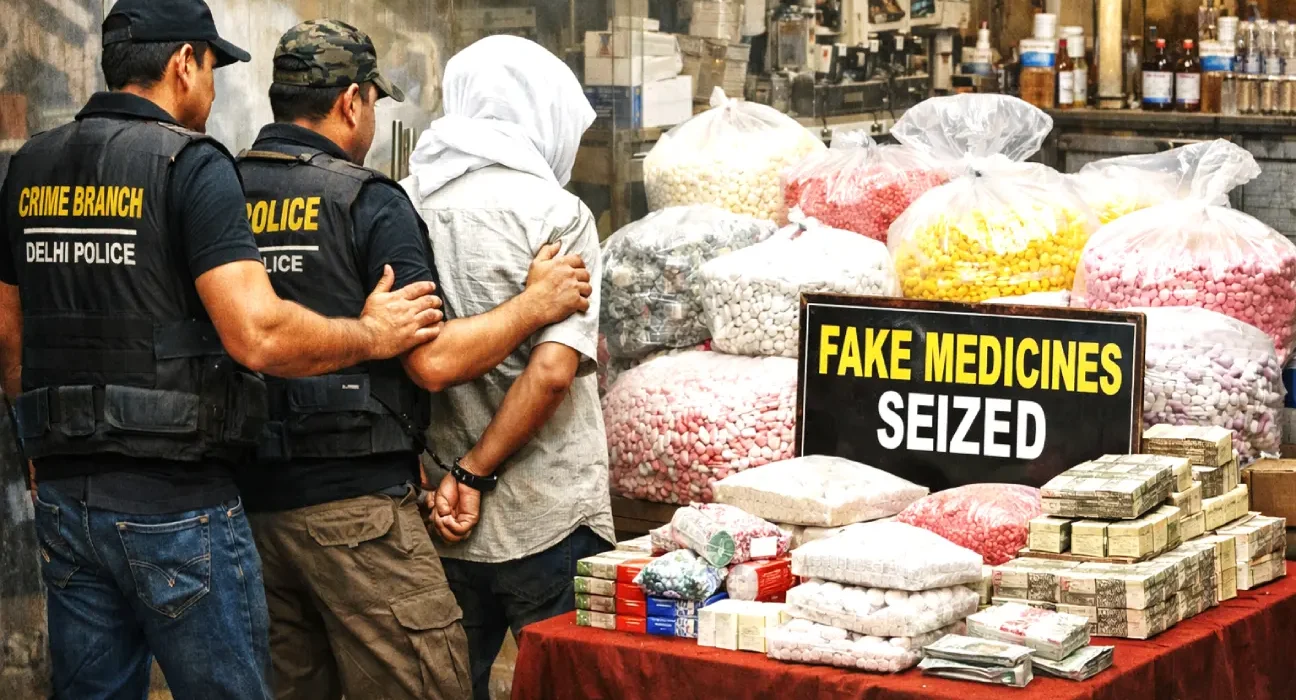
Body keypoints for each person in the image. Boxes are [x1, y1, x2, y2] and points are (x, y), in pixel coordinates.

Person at [0, 2, 442, 698]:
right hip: (175, 502)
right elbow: (257, 334)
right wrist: (373, 334)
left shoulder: (32, 163)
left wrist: (41, 446)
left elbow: (10, 331)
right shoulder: (190, 162)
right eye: (212, 68)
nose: (212, 90)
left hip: (64, 496)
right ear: (184, 62)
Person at [234, 20, 594, 700]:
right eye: (374, 101)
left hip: (248, 503)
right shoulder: (370, 200)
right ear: (352, 102)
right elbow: (431, 364)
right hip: (362, 506)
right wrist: (533, 304)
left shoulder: (221, 189)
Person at [403, 35, 615, 699]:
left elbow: (389, 356)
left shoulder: (405, 203)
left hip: (438, 515)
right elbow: (551, 372)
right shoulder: (557, 213)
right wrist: (477, 470)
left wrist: (442, 475)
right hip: (548, 512)